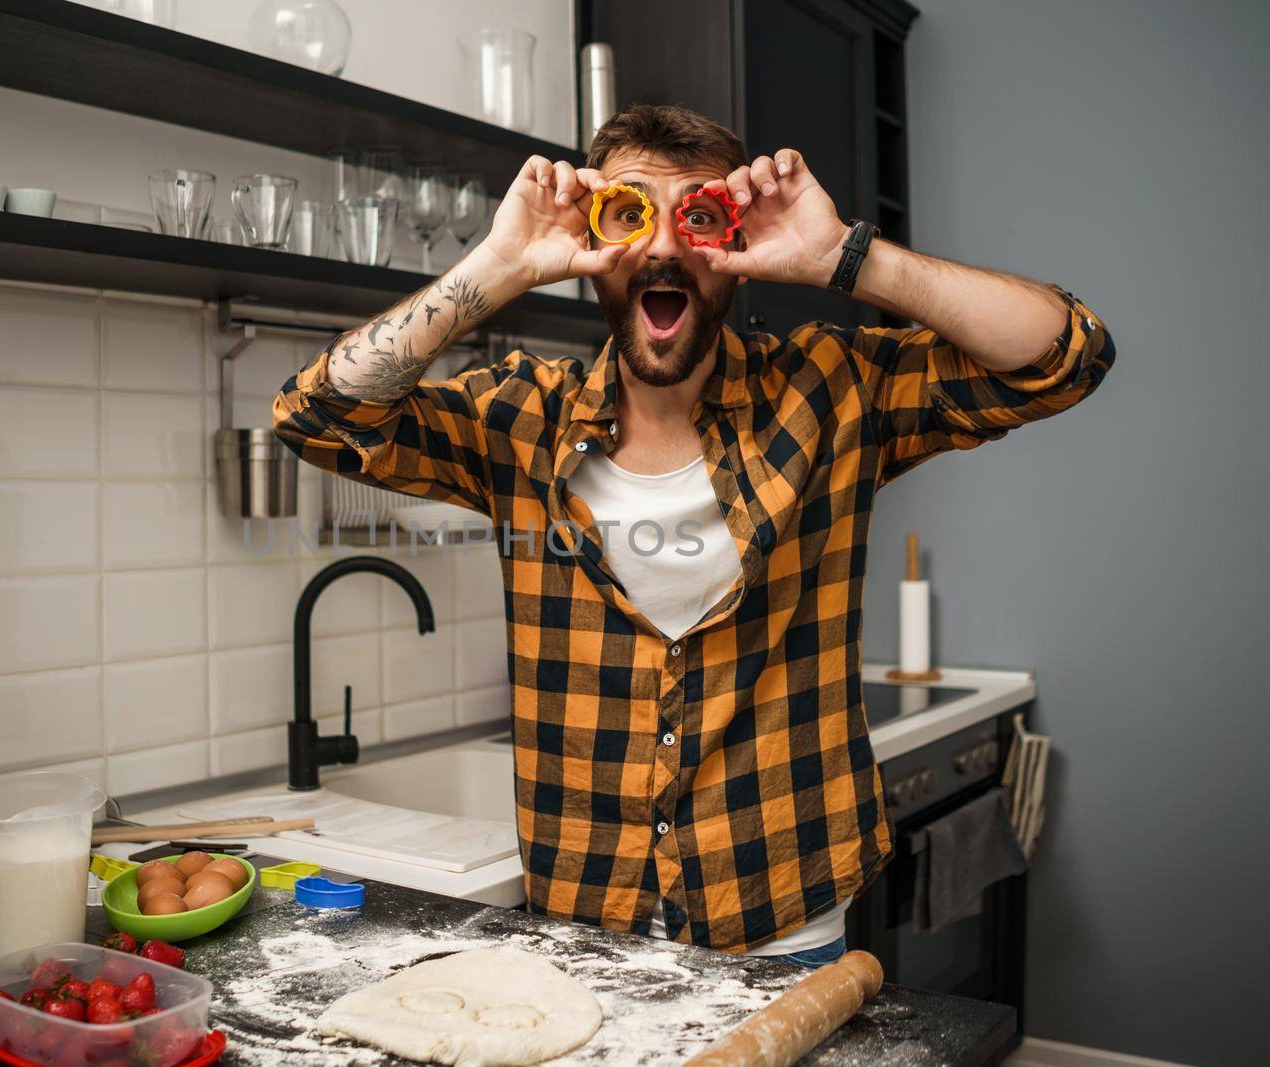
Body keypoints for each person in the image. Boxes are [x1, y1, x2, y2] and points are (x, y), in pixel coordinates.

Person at [273, 104, 1113, 966]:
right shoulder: (519, 418)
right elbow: (317, 417)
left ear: (736, 251)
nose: (667, 249)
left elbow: (1067, 355)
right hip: (586, 932)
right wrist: (501, 265)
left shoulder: (831, 391)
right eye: (634, 213)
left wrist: (842, 256)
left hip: (787, 924)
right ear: (596, 241)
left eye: (700, 217)